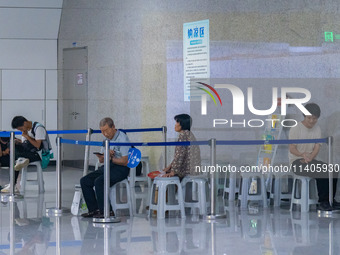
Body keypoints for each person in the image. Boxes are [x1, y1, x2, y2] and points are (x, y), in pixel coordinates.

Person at [289, 103, 339, 211]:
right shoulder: (296, 128)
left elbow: (317, 147)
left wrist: (310, 157)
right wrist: (302, 155)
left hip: (310, 159)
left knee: (333, 169)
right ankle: (323, 202)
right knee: (321, 170)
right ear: (304, 116)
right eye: (309, 118)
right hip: (297, 162)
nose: (312, 121)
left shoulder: (317, 129)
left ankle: (331, 199)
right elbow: (292, 148)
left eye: (314, 118)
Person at [80, 117, 131, 218]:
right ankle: (94, 209)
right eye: (102, 131)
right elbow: (101, 160)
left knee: (99, 181)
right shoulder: (105, 140)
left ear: (113, 127)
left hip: (121, 168)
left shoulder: (122, 138)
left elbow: (125, 161)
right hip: (108, 166)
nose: (105, 134)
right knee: (85, 181)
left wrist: (111, 158)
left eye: (106, 130)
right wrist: (103, 156)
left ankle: (107, 211)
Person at [1, 116, 49, 193]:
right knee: (11, 144)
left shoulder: (38, 128)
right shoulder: (27, 130)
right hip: (28, 152)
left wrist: (27, 136)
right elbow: (25, 143)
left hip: (36, 154)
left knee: (15, 159)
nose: (21, 130)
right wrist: (18, 141)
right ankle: (20, 161)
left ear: (25, 123)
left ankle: (12, 184)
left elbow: (37, 145)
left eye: (21, 128)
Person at [163, 114, 201, 179]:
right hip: (193, 168)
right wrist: (170, 167)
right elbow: (179, 155)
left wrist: (173, 172)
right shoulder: (188, 134)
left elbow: (179, 156)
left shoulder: (183, 136)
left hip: (188, 170)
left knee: (166, 177)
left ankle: (175, 189)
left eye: (177, 122)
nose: (175, 124)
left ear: (182, 124)